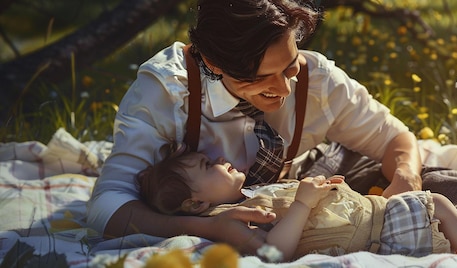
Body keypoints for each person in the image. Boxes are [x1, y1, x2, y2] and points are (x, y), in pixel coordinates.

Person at [87, 0, 422, 250]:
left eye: (289, 67)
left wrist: (407, 177)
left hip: (313, 174)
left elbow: (395, 137)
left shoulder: (317, 81)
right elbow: (107, 206)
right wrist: (207, 228)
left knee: (440, 180)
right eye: (261, 79)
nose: (284, 89)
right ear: (215, 65)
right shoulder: (167, 90)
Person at [135, 143, 457, 261]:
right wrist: (305, 203)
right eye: (208, 165)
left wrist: (324, 189)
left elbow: (306, 202)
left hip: (371, 213)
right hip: (377, 230)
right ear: (197, 204)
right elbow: (276, 252)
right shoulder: (230, 220)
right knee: (437, 204)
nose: (221, 159)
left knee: (441, 208)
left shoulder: (254, 193)